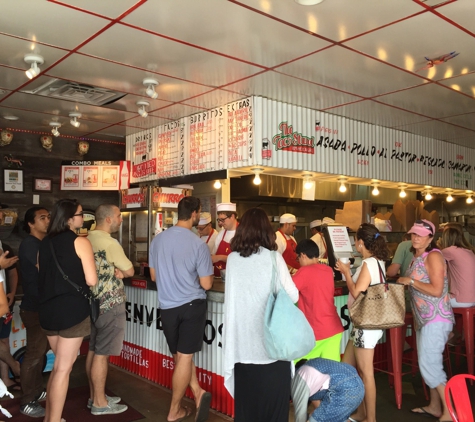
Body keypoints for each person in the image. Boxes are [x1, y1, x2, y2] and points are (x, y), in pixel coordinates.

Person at [223, 207, 299, 422]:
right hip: (273, 351)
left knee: (247, 415)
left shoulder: (233, 260)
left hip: (243, 351)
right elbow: (293, 296)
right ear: (267, 230)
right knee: (274, 415)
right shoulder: (274, 258)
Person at [149, 196, 213, 422]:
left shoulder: (158, 240)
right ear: (195, 213)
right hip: (191, 306)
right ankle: (174, 410)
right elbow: (206, 284)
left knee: (180, 356)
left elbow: (154, 276)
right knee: (184, 358)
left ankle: (197, 393)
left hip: (167, 307)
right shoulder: (198, 244)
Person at [38, 199, 98, 422]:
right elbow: (91, 280)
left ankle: (50, 419)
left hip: (48, 311)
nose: (84, 218)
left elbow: (40, 272)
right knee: (64, 369)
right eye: (81, 214)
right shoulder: (80, 242)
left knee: (58, 368)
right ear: (70, 218)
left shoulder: (44, 243)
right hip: (73, 311)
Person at [397, 219, 454, 421]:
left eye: (420, 235)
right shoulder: (416, 257)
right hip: (425, 319)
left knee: (430, 365)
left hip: (436, 319)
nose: (415, 237)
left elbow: (437, 290)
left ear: (430, 238)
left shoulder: (434, 256)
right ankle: (435, 406)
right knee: (427, 364)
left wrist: (410, 281)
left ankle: (450, 412)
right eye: (413, 234)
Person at [335, 223, 390, 422]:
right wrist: (348, 272)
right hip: (363, 324)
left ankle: (371, 418)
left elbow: (356, 291)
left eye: (355, 241)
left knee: (366, 373)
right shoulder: (377, 262)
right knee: (347, 368)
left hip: (365, 326)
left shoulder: (369, 263)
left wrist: (347, 272)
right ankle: (360, 412)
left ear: (360, 243)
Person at [85, 204, 134, 415]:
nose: (121, 219)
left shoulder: (86, 239)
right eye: (118, 216)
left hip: (93, 302)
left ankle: (95, 396)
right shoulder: (110, 243)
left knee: (94, 349)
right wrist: (122, 273)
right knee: (102, 355)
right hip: (110, 303)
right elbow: (130, 270)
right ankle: (99, 403)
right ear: (107, 219)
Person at [19, 206, 50, 418]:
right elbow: (45, 269)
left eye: (48, 217)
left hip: (43, 307)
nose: (47, 221)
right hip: (34, 308)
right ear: (31, 223)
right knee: (34, 354)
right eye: (42, 218)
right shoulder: (30, 244)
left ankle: (36, 392)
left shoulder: (41, 243)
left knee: (39, 354)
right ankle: (27, 401)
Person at [293, 239, 343, 362]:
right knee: (331, 373)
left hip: (316, 332)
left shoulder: (304, 272)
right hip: (334, 329)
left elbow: (286, 291)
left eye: (298, 258)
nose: (298, 262)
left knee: (300, 370)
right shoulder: (327, 270)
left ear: (303, 255)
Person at [291, 358, 364, 422]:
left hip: (345, 390)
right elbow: (320, 408)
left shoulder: (298, 380)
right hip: (358, 386)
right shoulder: (311, 369)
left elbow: (300, 415)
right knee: (318, 416)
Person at [0, 242, 20, 393]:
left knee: (3, 339)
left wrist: (12, 293)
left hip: (3, 303)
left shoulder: (6, 247)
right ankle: (15, 367)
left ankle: (6, 377)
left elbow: (12, 273)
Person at [439, 226, 475, 308]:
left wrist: (439, 246)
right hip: (473, 299)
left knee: (428, 299)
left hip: (461, 300)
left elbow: (432, 257)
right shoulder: (470, 251)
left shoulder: (450, 251)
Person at [211, 203, 238, 277]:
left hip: (234, 278)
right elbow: (214, 255)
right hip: (218, 277)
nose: (220, 223)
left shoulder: (243, 234)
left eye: (223, 220)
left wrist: (220, 257)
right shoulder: (221, 234)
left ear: (232, 216)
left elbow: (242, 260)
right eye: (219, 220)